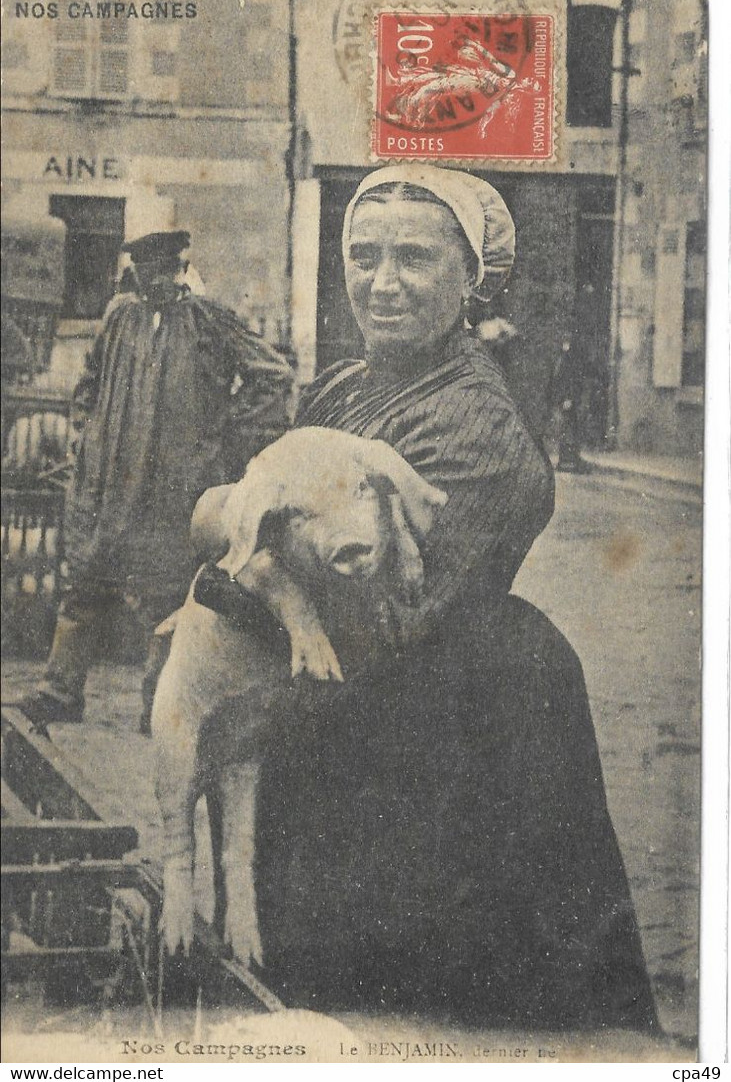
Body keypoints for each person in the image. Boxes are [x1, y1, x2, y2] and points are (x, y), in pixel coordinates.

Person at [195, 166, 658, 1032]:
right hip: (334, 738)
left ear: (471, 279)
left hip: (425, 779)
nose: (382, 283)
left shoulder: (474, 426)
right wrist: (233, 531)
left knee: (397, 1027)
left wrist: (226, 522)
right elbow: (244, 541)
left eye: (413, 258)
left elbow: (366, 620)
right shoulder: (344, 388)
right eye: (363, 256)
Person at [21, 228, 293, 733]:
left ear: (179, 271)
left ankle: (158, 706)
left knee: (166, 599)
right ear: (137, 275)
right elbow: (88, 382)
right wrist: (88, 434)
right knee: (85, 584)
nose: (154, 284)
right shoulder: (119, 317)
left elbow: (273, 377)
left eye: (163, 273)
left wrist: (226, 439)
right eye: (145, 275)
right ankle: (60, 691)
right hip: (112, 485)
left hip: (172, 489)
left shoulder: (209, 321)